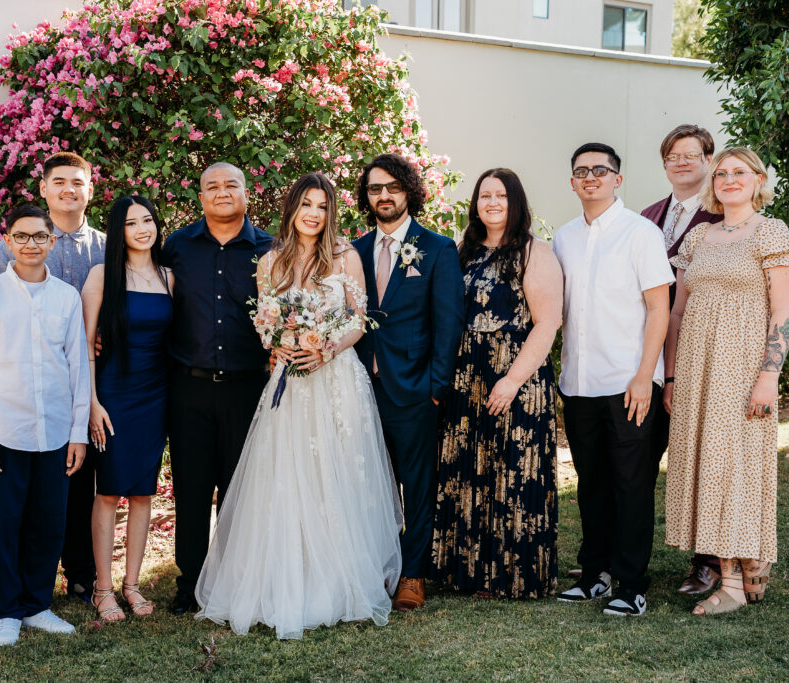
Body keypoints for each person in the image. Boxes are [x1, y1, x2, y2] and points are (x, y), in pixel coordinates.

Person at [194, 173, 403, 639]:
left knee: (337, 472)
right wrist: (278, 344)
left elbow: (358, 319)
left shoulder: (346, 256)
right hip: (290, 382)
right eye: (306, 204)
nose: (314, 213)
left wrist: (327, 348)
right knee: (287, 474)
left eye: (322, 206)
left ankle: (340, 577)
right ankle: (288, 577)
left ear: (331, 213)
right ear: (292, 209)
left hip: (336, 379)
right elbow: (265, 321)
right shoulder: (270, 260)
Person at [663, 147, 789, 616]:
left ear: (758, 179)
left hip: (743, 371)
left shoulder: (771, 231)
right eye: (721, 173)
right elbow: (677, 313)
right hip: (696, 374)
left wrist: (769, 376)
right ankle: (739, 572)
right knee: (707, 469)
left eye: (738, 172)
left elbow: (783, 312)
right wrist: (672, 375)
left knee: (736, 469)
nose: (728, 179)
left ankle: (740, 582)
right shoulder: (699, 237)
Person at [0, 152, 105, 604]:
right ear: (44, 189)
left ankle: (79, 572)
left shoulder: (106, 246)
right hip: (27, 393)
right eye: (60, 182)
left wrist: (100, 337)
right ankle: (22, 592)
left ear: (90, 189)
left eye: (78, 182)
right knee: (35, 494)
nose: (69, 190)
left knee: (81, 478)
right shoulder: (16, 243)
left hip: (91, 381)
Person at [431, 168, 564, 599]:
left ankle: (512, 575)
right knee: (470, 469)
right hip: (466, 374)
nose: (491, 202)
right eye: (484, 195)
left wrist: (511, 380)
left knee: (512, 471)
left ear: (516, 202)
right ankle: (467, 572)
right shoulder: (461, 251)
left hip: (516, 374)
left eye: (501, 196)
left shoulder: (533, 252)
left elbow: (547, 324)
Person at [553, 143, 673, 617]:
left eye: (600, 171)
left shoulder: (641, 233)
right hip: (579, 384)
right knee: (592, 483)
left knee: (632, 484)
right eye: (581, 171)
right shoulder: (562, 238)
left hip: (629, 382)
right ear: (572, 182)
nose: (590, 177)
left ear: (617, 180)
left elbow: (659, 307)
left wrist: (646, 376)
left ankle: (631, 584)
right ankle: (596, 573)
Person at [0, 204, 90, 645]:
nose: (31, 245)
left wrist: (78, 432)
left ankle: (38, 605)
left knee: (49, 521)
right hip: (8, 431)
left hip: (56, 430)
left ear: (52, 242)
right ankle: (8, 610)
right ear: (8, 242)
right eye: (22, 237)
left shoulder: (66, 297)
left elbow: (79, 367)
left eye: (40, 237)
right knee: (8, 521)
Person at [352, 153, 464, 612]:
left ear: (408, 192)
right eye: (376, 188)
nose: (384, 196)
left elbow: (449, 323)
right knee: (367, 483)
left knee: (416, 485)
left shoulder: (437, 249)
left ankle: (413, 574)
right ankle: (376, 567)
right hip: (358, 387)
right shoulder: (353, 251)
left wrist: (436, 387)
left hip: (416, 390)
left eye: (393, 187)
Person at [162, 162, 274, 615]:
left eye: (231, 185)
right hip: (189, 388)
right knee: (190, 489)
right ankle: (190, 583)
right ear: (201, 196)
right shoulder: (177, 247)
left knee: (241, 490)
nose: (222, 192)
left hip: (249, 389)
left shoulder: (271, 249)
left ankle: (234, 581)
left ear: (247, 193)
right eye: (212, 186)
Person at [80, 196, 173, 622]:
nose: (142, 229)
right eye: (131, 223)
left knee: (142, 492)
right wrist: (92, 403)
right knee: (108, 491)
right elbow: (86, 346)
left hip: (156, 396)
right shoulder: (102, 275)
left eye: (148, 220)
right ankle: (102, 589)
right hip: (113, 396)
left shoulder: (170, 277)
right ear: (118, 231)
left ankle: (132, 586)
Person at [640, 124, 724, 595]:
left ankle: (707, 561)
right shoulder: (648, 215)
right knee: (637, 458)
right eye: (673, 155)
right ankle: (622, 555)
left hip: (709, 352)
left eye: (691, 154)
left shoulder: (721, 217)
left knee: (704, 461)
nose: (682, 162)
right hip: (653, 354)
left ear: (708, 160)